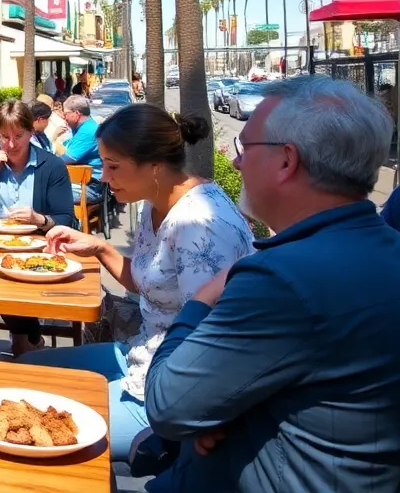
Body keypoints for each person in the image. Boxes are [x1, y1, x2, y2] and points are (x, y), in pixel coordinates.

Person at [141, 76, 400, 492]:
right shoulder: (387, 250)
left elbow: (167, 405)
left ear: (287, 161)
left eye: (245, 148)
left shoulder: (281, 278)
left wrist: (206, 296)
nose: (235, 163)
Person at [18, 104, 253, 468]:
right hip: (139, 354)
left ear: (155, 164)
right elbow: (149, 283)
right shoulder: (155, 201)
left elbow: (215, 338)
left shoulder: (199, 223)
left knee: (35, 430)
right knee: (27, 372)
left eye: (114, 166)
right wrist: (100, 246)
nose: (105, 176)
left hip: (167, 391)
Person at [0, 101, 76, 355]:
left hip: (38, 249)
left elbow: (65, 218)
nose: (11, 144)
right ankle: (28, 340)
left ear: (31, 132)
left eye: (19, 136)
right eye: (4, 137)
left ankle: (24, 341)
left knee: (6, 284)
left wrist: (39, 218)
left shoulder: (51, 166)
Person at [61, 95, 103, 203]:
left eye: (66, 113)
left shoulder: (87, 131)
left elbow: (65, 159)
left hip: (91, 188)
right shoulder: (83, 127)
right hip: (83, 183)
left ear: (77, 113)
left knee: (45, 194)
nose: (63, 117)